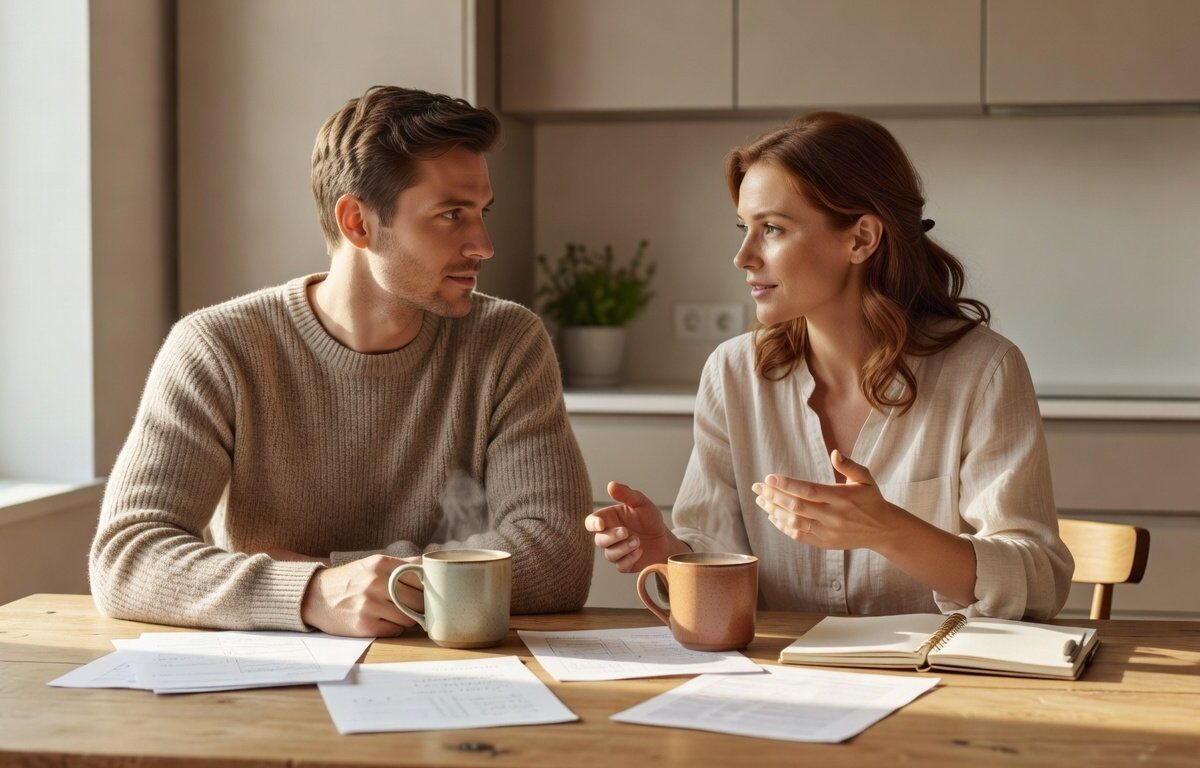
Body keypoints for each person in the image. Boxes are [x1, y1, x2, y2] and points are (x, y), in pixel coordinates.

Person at [90, 86, 593, 636]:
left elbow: (557, 554)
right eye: (452, 214)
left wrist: (331, 577)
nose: (484, 244)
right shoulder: (217, 348)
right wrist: (316, 596)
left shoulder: (506, 341)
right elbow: (128, 556)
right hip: (265, 690)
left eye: (481, 212)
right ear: (356, 222)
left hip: (455, 677)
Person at [588, 112, 1073, 620]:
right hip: (781, 686)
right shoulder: (732, 374)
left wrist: (888, 528)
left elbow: (1039, 581)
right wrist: (664, 553)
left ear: (861, 238)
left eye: (772, 228)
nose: (743, 257)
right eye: (744, 228)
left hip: (943, 682)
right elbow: (717, 566)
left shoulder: (984, 372)